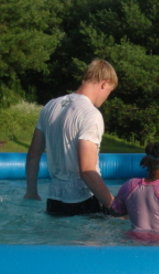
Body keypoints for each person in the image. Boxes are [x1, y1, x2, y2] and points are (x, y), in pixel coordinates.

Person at [24, 58, 118, 216]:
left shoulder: (50, 106)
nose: (107, 97)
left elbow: (33, 154)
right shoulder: (91, 114)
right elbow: (87, 171)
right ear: (104, 84)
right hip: (83, 201)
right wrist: (114, 206)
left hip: (54, 201)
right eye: (109, 91)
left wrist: (31, 191)